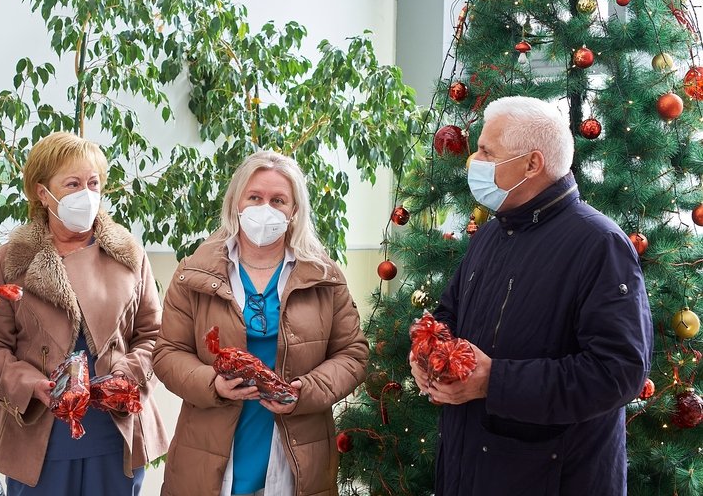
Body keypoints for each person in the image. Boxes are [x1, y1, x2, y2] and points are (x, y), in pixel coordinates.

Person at [410, 96, 653, 495]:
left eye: (488, 151)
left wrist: (496, 381)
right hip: (468, 467)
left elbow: (619, 374)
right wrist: (427, 355)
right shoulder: (491, 232)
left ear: (532, 164)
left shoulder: (598, 243)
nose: (474, 160)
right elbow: (447, 314)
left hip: (552, 477)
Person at [153, 150, 369, 496]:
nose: (265, 208)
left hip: (298, 452)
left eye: (278, 200)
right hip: (208, 451)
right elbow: (167, 353)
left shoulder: (324, 277)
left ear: (294, 211)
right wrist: (213, 384)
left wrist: (305, 391)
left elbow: (352, 354)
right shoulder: (194, 274)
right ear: (236, 202)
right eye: (255, 197)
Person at [0, 131, 168, 495]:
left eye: (94, 183)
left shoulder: (128, 254)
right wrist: (31, 385)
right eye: (73, 184)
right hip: (39, 434)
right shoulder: (11, 260)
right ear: (43, 193)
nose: (86, 194)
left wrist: (127, 376)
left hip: (115, 429)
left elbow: (155, 335)